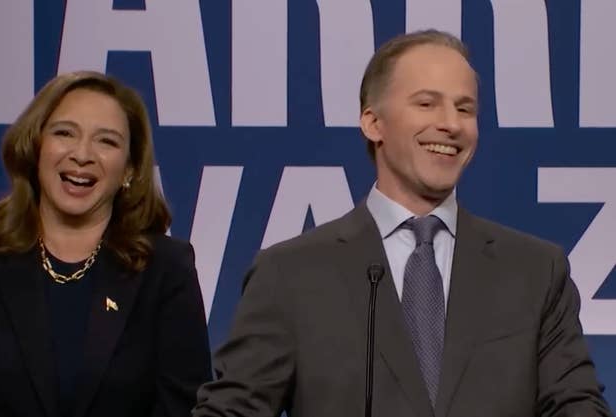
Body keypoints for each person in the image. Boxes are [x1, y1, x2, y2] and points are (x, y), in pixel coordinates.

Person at [192, 30, 612, 417]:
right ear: (373, 123)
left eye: (464, 108)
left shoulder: (536, 271)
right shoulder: (289, 274)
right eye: (426, 103)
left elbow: (577, 406)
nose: (451, 124)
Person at [0, 71, 212, 417]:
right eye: (64, 133)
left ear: (129, 170)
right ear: (35, 147)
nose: (82, 154)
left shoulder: (166, 269)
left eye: (106, 141)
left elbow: (183, 408)